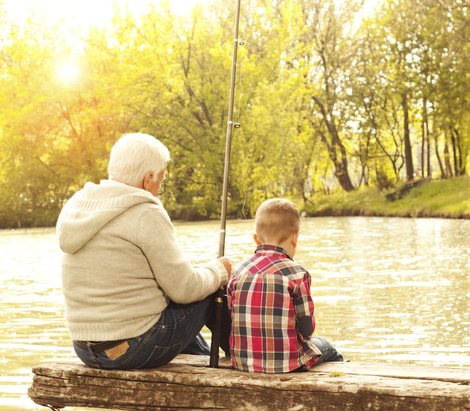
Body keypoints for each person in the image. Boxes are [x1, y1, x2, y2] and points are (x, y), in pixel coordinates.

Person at [56, 132, 232, 370]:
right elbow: (185, 288)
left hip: (85, 349)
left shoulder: (76, 206)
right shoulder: (145, 212)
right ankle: (245, 357)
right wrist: (220, 270)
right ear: (147, 178)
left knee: (172, 307)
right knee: (210, 288)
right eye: (161, 179)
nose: (159, 187)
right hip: (134, 348)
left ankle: (202, 360)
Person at [227, 197, 343, 373]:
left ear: (256, 239)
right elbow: (306, 330)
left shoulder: (236, 272)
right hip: (287, 365)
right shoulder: (297, 274)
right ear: (295, 238)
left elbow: (232, 316)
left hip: (243, 362)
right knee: (326, 346)